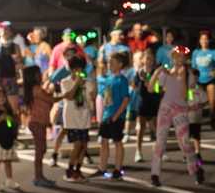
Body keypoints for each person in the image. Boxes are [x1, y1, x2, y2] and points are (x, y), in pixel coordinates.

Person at [148, 46, 204, 187]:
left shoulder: (189, 75)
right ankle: (155, 174)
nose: (181, 58)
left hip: (180, 109)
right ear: (173, 57)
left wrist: (183, 77)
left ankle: (196, 168)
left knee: (184, 142)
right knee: (160, 141)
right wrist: (156, 73)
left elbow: (185, 95)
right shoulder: (166, 74)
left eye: (184, 56)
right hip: (165, 108)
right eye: (178, 56)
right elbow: (151, 89)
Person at [97, 52, 130, 180]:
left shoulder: (122, 80)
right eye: (109, 62)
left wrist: (116, 116)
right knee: (104, 142)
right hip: (107, 115)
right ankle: (102, 168)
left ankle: (117, 169)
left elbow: (125, 99)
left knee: (117, 142)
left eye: (112, 63)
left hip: (116, 116)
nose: (109, 65)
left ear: (120, 64)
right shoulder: (108, 79)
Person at [60, 55, 94, 182]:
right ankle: (69, 170)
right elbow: (68, 96)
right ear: (71, 69)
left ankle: (78, 170)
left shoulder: (87, 82)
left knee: (84, 146)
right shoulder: (65, 82)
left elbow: (93, 96)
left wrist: (94, 79)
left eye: (81, 69)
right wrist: (76, 83)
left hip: (84, 118)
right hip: (72, 119)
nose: (79, 72)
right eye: (76, 69)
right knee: (77, 144)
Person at [22, 66, 57, 188]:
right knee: (40, 150)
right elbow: (51, 99)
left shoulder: (35, 89)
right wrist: (64, 96)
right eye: (38, 73)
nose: (41, 75)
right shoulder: (36, 89)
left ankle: (38, 176)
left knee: (41, 149)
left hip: (38, 122)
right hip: (37, 122)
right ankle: (38, 176)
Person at [191, 31, 215, 129]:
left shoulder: (214, 52)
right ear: (199, 41)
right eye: (202, 39)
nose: (204, 41)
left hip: (210, 79)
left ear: (209, 41)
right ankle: (196, 122)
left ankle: (213, 121)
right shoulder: (196, 52)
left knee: (212, 102)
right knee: (197, 102)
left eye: (206, 39)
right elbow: (193, 67)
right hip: (198, 80)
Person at [135, 48, 160, 162]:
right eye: (147, 58)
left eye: (151, 59)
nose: (149, 61)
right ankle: (138, 151)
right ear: (142, 59)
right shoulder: (139, 72)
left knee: (156, 127)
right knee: (141, 127)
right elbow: (134, 84)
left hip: (154, 101)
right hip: (142, 102)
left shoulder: (156, 72)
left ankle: (159, 151)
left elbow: (159, 86)